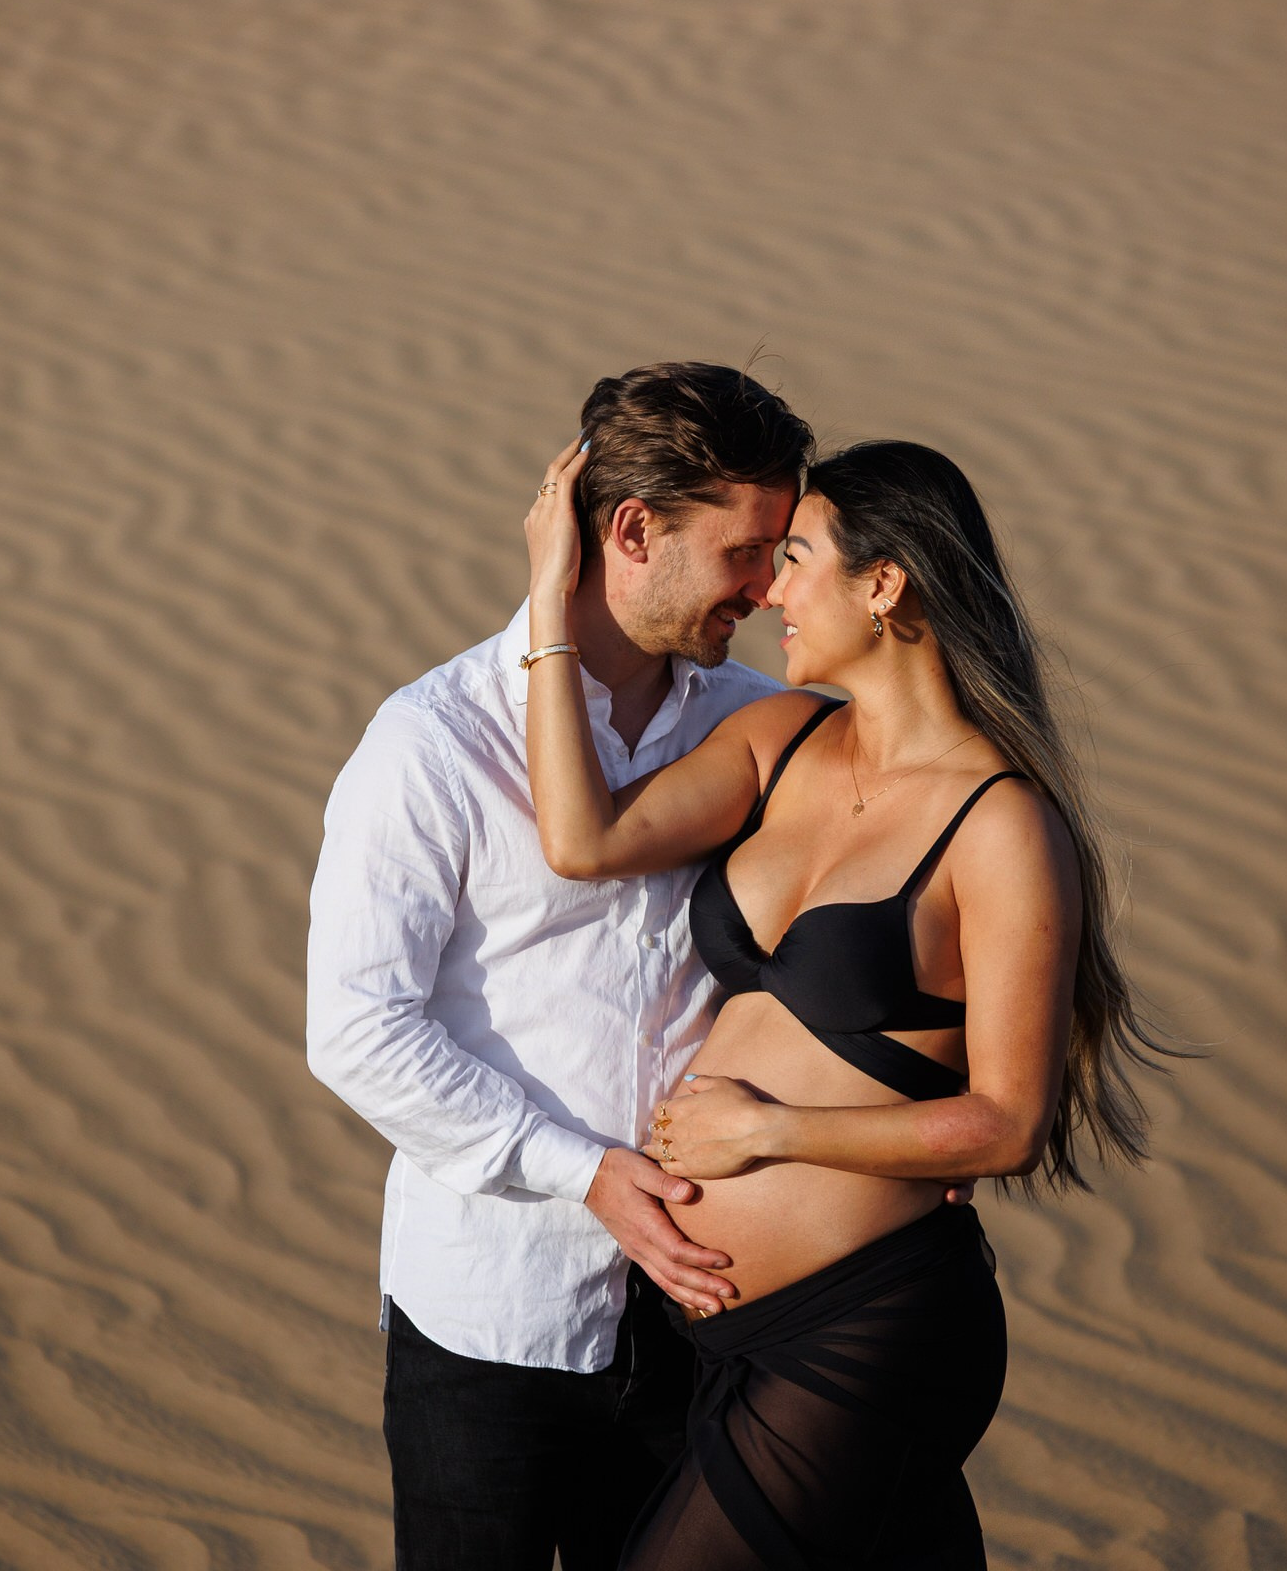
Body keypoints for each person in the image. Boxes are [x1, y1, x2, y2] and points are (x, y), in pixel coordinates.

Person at [521, 435, 1174, 1569]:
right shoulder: (778, 740)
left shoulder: (1002, 826)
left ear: (885, 584)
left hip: (870, 1328)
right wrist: (549, 603)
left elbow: (1008, 1122)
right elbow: (585, 839)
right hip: (719, 1335)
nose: (769, 587)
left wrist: (769, 1130)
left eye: (798, 558)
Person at [305, 362, 821, 1571]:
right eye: (748, 550)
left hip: (712, 1307)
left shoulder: (755, 724)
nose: (766, 587)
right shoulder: (429, 745)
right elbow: (357, 1030)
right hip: (494, 1320)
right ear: (633, 529)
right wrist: (585, 1172)